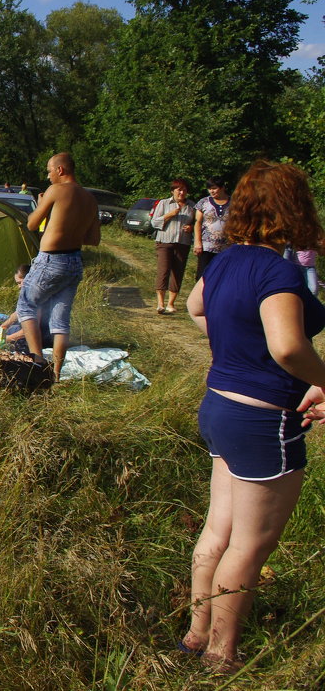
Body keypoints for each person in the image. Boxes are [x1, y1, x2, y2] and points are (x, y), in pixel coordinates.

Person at [182, 159, 325, 675]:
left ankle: (197, 634)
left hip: (219, 405)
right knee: (249, 544)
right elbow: (288, 346)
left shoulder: (222, 261)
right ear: (294, 207)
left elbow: (196, 309)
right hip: (264, 421)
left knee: (218, 530)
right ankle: (222, 654)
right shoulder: (280, 271)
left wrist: (234, 353)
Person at [15, 152, 101, 380]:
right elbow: (93, 239)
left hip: (52, 259)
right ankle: (56, 372)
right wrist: (68, 231)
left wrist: (43, 203)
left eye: (49, 171)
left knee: (26, 306)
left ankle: (37, 361)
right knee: (60, 319)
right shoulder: (90, 198)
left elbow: (32, 224)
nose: (48, 176)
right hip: (74, 261)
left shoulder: (56, 191)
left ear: (60, 170)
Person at [152, 178, 195, 314]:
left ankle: (171, 303)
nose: (182, 192)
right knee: (163, 271)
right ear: (173, 191)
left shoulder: (192, 206)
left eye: (184, 190)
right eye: (179, 189)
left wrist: (191, 227)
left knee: (178, 272)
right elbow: (154, 222)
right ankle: (160, 303)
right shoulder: (164, 203)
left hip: (183, 242)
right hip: (165, 241)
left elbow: (197, 223)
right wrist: (169, 215)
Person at [193, 177, 231, 281]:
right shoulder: (204, 202)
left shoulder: (233, 203)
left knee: (221, 277)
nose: (211, 191)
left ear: (222, 187)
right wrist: (197, 242)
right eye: (209, 189)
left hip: (226, 248)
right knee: (202, 277)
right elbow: (198, 223)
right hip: (207, 247)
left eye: (214, 188)